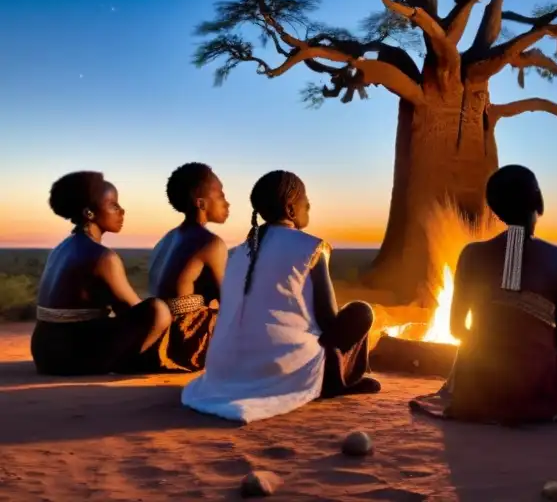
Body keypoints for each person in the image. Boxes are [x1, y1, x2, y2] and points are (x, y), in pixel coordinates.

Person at [410, 165, 557, 425]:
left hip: (479, 387)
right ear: (539, 201)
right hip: (535, 388)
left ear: (494, 209)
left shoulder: (471, 254)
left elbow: (456, 329)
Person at [182, 171, 380, 423]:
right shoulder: (312, 247)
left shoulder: (236, 253)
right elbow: (329, 322)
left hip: (223, 371)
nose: (308, 205)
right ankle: (337, 380)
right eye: (304, 200)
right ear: (290, 209)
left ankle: (332, 375)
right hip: (281, 367)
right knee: (360, 312)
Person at [31, 172, 172, 376]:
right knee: (158, 310)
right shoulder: (102, 257)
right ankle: (129, 365)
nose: (122, 211)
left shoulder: (61, 248)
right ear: (89, 213)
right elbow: (133, 310)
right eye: (113, 205)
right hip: (69, 356)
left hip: (44, 353)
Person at [146, 163, 229, 372]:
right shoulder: (211, 243)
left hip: (156, 338)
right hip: (184, 343)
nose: (226, 203)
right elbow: (228, 302)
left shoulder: (166, 239)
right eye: (220, 195)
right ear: (201, 203)